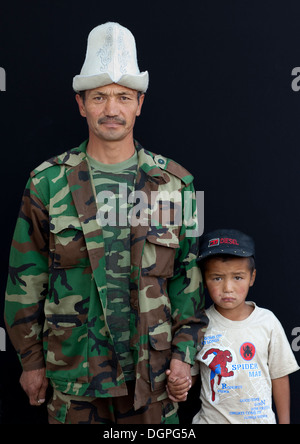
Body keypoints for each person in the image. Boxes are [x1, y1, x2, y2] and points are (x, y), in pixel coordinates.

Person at [4, 22, 208, 424]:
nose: (111, 109)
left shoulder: (176, 185)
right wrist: (30, 362)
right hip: (74, 378)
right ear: (82, 104)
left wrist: (185, 356)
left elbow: (189, 277)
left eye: (123, 97)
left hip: (153, 379)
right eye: (99, 97)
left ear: (139, 104)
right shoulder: (46, 182)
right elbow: (24, 279)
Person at [167, 228, 299, 424]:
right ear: (204, 279)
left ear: (252, 277)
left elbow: (279, 376)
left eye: (237, 277)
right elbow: (191, 375)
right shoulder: (198, 325)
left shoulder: (267, 322)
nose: (227, 288)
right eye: (217, 278)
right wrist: (179, 385)